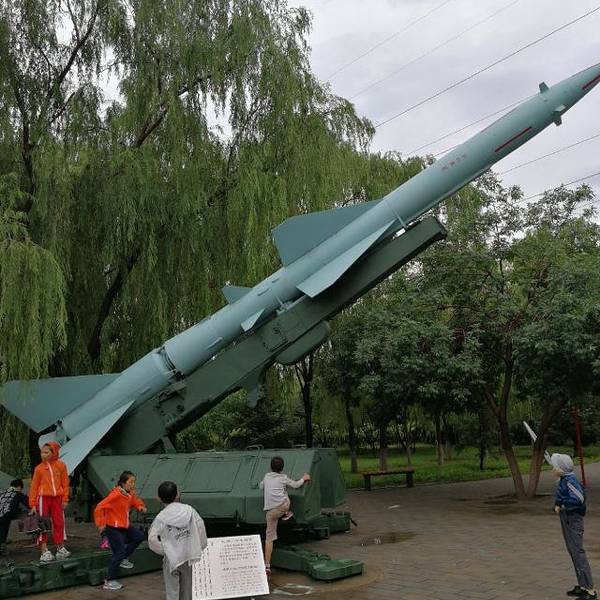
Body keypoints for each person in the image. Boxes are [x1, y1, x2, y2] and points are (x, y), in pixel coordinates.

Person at [148, 481, 207, 600]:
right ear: (177, 495)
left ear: (159, 498)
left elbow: (152, 539)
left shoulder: (161, 517)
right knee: (187, 590)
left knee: (172, 592)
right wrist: (199, 546)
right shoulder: (189, 510)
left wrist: (166, 550)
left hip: (171, 560)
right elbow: (200, 527)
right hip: (187, 555)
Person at [551, 453, 597, 600]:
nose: (552, 469)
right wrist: (558, 503)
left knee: (578, 552)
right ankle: (582, 586)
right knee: (573, 551)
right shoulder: (564, 479)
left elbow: (579, 499)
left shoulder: (570, 480)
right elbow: (562, 494)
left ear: (561, 469)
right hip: (567, 518)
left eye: (555, 466)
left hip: (573, 519)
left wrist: (564, 505)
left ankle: (590, 590)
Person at [94, 470, 147, 591]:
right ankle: (109, 581)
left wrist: (140, 506)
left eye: (134, 482)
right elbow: (99, 507)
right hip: (113, 528)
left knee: (139, 536)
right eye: (130, 482)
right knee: (119, 552)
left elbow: (134, 500)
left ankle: (124, 558)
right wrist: (101, 524)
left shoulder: (129, 493)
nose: (133, 484)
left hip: (125, 526)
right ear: (123, 483)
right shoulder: (115, 495)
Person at [259, 456, 310, 576]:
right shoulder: (283, 478)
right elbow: (296, 485)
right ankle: (287, 513)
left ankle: (267, 566)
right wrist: (304, 478)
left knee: (269, 539)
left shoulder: (266, 476)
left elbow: (261, 486)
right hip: (282, 507)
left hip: (270, 513)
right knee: (285, 495)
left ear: (270, 467)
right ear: (282, 468)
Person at [29, 441, 70, 562]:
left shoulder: (61, 466)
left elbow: (65, 483)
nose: (43, 455)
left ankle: (60, 547)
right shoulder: (39, 469)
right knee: (43, 524)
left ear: (54, 452)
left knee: (59, 523)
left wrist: (65, 498)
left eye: (46, 452)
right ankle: (44, 550)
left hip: (57, 498)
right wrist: (32, 504)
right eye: (42, 452)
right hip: (43, 499)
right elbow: (34, 487)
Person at [0, 479, 29, 555]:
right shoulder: (17, 493)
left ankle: (2, 543)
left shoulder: (2, 492)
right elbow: (28, 503)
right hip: (5, 514)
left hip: (1, 513)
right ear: (19, 487)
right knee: (4, 523)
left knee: (4, 524)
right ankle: (2, 546)